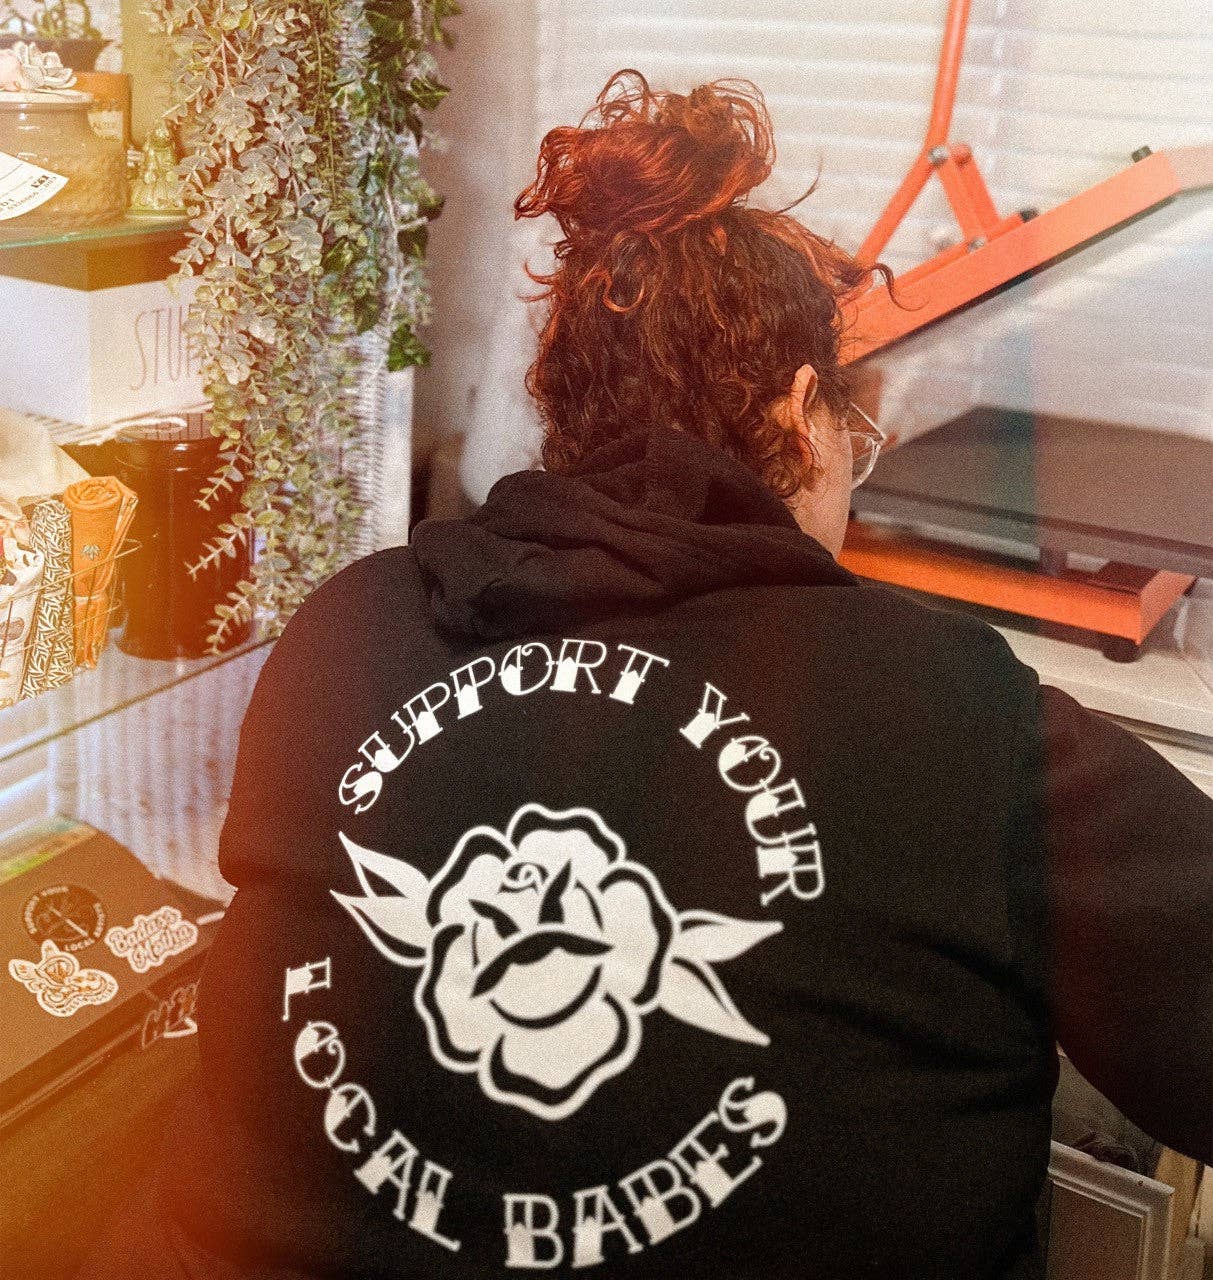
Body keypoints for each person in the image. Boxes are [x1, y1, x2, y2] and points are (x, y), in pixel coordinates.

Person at [83, 70, 1211, 1279]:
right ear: (800, 411)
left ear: (563, 409)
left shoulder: (346, 626)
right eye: (856, 434)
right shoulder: (961, 713)